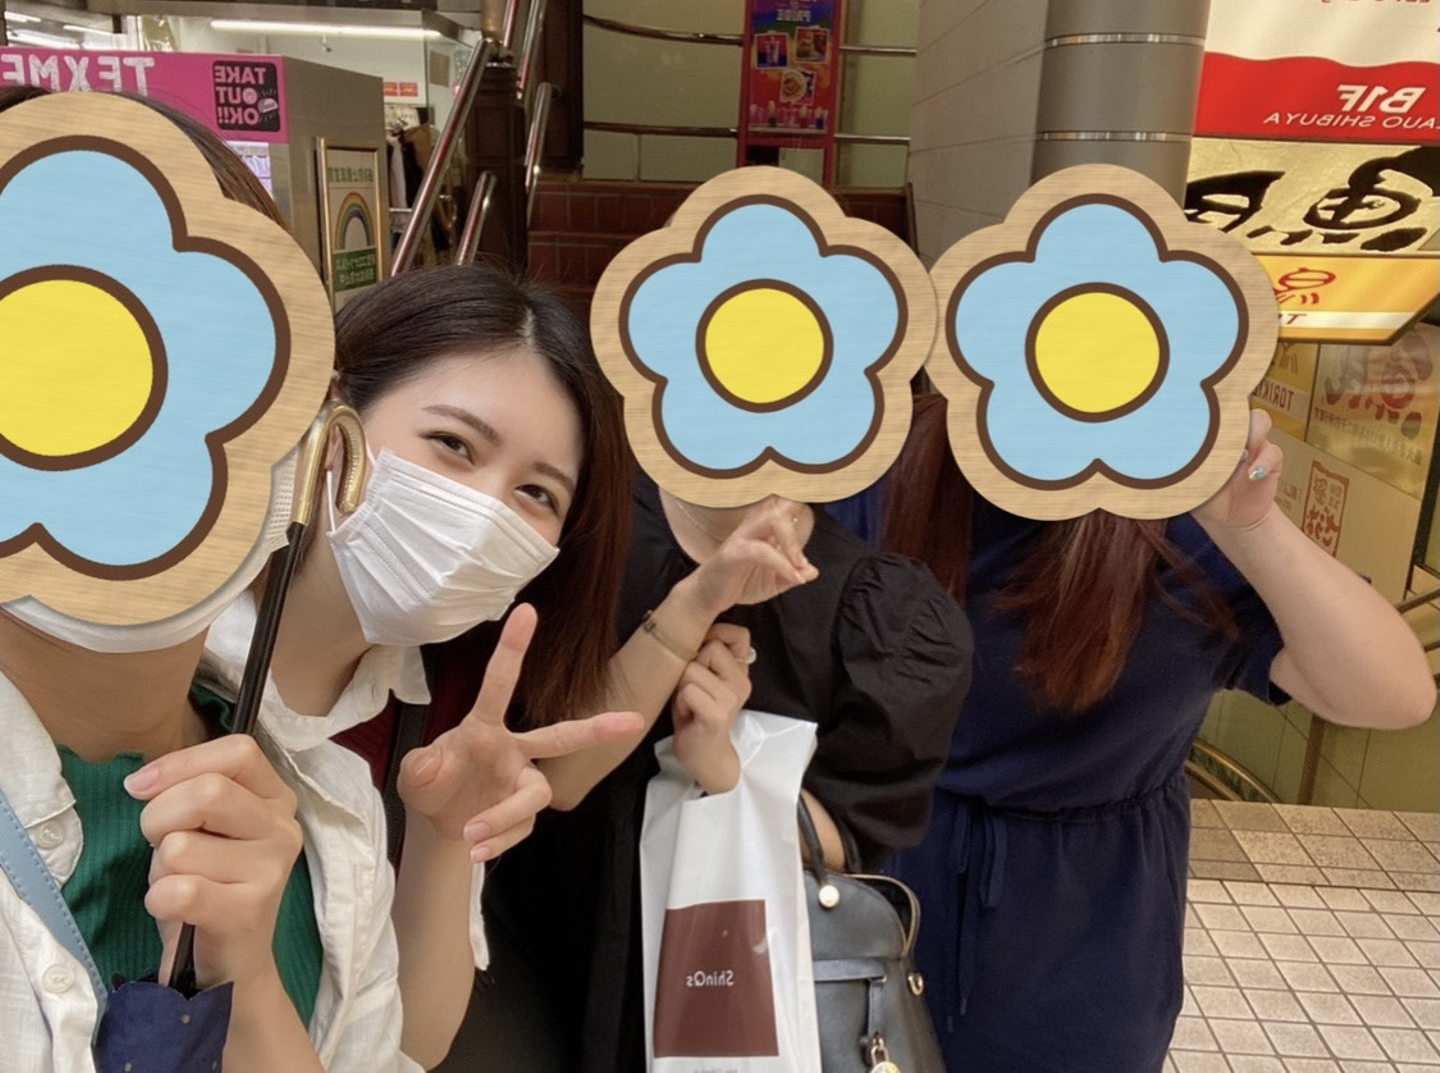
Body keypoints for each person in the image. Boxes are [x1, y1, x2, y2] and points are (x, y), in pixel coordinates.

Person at [0, 87, 409, 1071]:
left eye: (223, 364)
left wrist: (251, 987)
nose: (131, 426)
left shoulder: (332, 809)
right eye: (50, 378)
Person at [876, 394, 1437, 1072]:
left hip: (1085, 940)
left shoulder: (1180, 516)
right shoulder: (883, 466)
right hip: (880, 900)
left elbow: (1395, 694)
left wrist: (1251, 527)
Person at [201, 262, 642, 1068]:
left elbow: (415, 1040)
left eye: (537, 494)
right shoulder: (161, 645)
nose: (483, 510)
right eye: (454, 445)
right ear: (333, 410)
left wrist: (444, 837)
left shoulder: (450, 705)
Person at [473, 469, 974, 1071]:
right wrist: (692, 607)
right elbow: (555, 777)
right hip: (525, 947)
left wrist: (727, 768)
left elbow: (848, 836)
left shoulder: (883, 611)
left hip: (726, 972)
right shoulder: (587, 506)